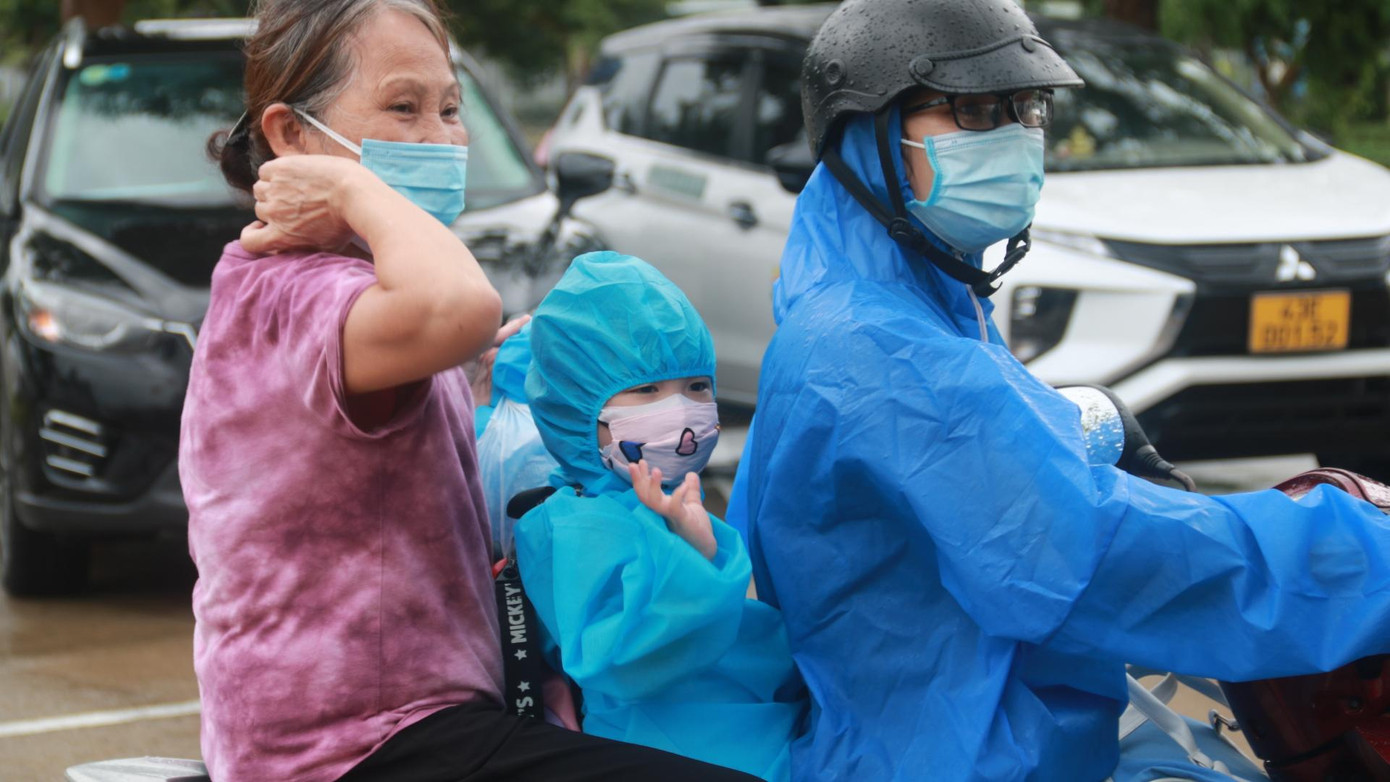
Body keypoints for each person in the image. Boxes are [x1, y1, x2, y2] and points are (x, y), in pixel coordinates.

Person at [731, 0, 1390, 779]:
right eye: (973, 109)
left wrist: (1089, 424)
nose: (1013, 136)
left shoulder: (896, 302)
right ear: (866, 139)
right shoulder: (877, 352)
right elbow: (1104, 559)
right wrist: (1363, 554)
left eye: (1027, 107)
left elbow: (961, 461)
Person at [182, 2, 761, 780]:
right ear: (292, 137)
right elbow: (461, 306)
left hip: (417, 722)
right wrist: (358, 195)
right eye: (403, 107)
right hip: (353, 744)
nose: (444, 137)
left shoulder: (340, 293)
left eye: (451, 108)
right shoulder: (300, 292)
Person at [513, 252, 807, 781]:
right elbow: (622, 658)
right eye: (647, 389)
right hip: (671, 747)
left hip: (757, 723)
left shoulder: (664, 494)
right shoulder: (574, 521)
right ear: (578, 410)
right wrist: (693, 555)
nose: (681, 411)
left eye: (697, 387)